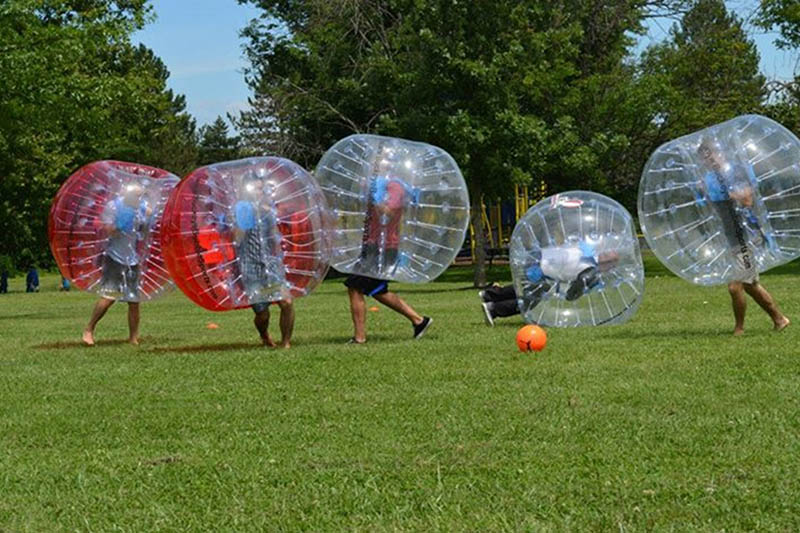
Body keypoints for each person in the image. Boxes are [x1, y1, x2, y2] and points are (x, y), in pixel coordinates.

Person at [695, 137, 789, 335]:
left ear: (720, 153)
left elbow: (747, 199)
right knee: (750, 284)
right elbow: (709, 209)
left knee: (735, 285)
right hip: (732, 237)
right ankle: (779, 319)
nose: (709, 160)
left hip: (748, 235)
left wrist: (721, 194)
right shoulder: (708, 179)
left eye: (711, 154)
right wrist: (704, 192)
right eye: (705, 158)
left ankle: (739, 329)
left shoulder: (737, 171)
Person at [344, 155, 431, 344]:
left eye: (378, 165)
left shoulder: (395, 186)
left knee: (356, 286)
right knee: (376, 289)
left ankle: (360, 338)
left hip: (384, 246)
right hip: (373, 244)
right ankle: (419, 320)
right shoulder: (380, 185)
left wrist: (374, 197)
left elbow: (389, 213)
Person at [479, 241, 620, 326]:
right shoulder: (591, 270)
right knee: (531, 299)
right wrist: (571, 294)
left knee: (528, 288)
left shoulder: (586, 247)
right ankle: (493, 309)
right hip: (541, 267)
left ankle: (489, 294)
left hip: (539, 256)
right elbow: (573, 292)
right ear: (608, 266)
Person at [83, 182, 152, 346]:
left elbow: (146, 228)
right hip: (115, 257)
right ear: (127, 194)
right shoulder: (114, 206)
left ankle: (133, 337)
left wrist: (149, 218)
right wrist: (120, 225)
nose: (139, 199)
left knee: (134, 300)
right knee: (108, 297)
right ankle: (89, 329)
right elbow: (107, 230)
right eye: (136, 195)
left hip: (132, 259)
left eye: (140, 196)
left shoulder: (141, 208)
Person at [233, 172, 294, 348]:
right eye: (258, 189)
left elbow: (274, 237)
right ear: (248, 190)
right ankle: (264, 335)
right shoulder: (242, 208)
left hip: (271, 263)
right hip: (250, 266)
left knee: (286, 302)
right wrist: (247, 218)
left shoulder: (268, 210)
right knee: (262, 313)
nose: (261, 192)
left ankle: (286, 342)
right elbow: (238, 239)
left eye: (263, 189)